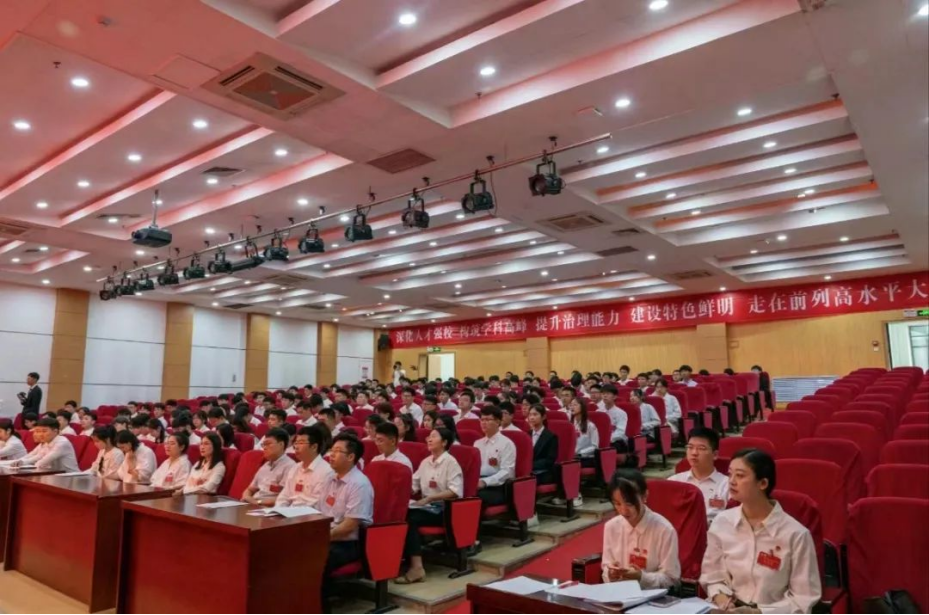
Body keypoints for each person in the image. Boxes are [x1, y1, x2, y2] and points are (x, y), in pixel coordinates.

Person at [701, 449, 821, 614]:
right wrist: (723, 601)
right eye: (730, 474)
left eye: (740, 475)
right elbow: (712, 576)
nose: (732, 481)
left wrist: (759, 612)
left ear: (763, 483)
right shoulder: (722, 522)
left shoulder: (796, 534)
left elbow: (803, 599)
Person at [395, 428, 463, 585]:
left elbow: (455, 491)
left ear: (444, 442)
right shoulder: (426, 462)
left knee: (410, 519)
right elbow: (413, 484)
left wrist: (430, 498)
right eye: (428, 437)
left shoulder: (451, 462)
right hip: (426, 507)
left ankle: (417, 568)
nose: (429, 439)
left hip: (444, 510)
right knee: (400, 513)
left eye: (434, 437)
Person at [318, 434, 374, 606]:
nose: (331, 455)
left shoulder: (359, 484)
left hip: (348, 543)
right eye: (331, 450)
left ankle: (317, 605)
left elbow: (349, 526)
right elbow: (319, 511)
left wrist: (319, 539)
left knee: (313, 558)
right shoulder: (330, 478)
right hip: (327, 535)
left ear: (350, 457)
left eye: (337, 451)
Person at [601, 469, 680, 590]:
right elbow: (606, 567)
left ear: (644, 496)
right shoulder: (611, 527)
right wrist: (610, 574)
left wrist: (642, 577)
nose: (623, 510)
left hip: (653, 597)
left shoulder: (664, 530)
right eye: (617, 504)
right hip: (618, 593)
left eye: (629, 504)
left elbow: (671, 578)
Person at [668, 428, 730, 522]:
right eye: (690, 447)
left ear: (715, 455)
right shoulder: (673, 482)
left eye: (701, 448)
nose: (694, 453)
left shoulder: (727, 485)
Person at [277, 424, 334, 507]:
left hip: (309, 514)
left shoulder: (327, 472)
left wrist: (290, 511)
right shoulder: (295, 467)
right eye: (296, 443)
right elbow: (284, 496)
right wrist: (279, 510)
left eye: (301, 443)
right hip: (288, 512)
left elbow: (317, 503)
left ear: (314, 447)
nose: (296, 447)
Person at [242, 428, 296, 507]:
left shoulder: (290, 467)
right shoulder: (265, 465)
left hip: (268, 508)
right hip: (253, 504)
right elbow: (250, 489)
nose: (264, 448)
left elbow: (285, 498)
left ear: (281, 444)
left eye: (268, 444)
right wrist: (246, 497)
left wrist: (258, 502)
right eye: (263, 444)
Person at [474, 406, 516, 507]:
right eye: (482, 420)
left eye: (488, 420)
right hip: (478, 482)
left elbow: (507, 472)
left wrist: (485, 482)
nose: (484, 423)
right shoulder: (477, 443)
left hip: (497, 487)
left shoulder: (506, 443)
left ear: (498, 422)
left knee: (475, 498)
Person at [9, 418, 79, 471]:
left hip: (70, 476)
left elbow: (42, 462)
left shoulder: (62, 443)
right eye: (38, 431)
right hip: (55, 474)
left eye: (44, 431)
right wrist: (21, 462)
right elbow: (36, 457)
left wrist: (24, 466)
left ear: (55, 431)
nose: (40, 434)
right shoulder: (46, 442)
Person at [527, 405, 557, 486]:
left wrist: (530, 465)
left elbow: (549, 460)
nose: (531, 417)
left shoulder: (551, 436)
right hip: (529, 471)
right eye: (530, 415)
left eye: (535, 414)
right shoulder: (526, 434)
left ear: (543, 417)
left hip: (543, 472)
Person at [601, 384, 628, 452]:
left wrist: (606, 439)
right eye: (603, 393)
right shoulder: (599, 411)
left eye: (608, 393)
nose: (605, 396)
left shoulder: (621, 413)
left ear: (615, 397)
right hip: (601, 440)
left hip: (616, 441)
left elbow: (620, 432)